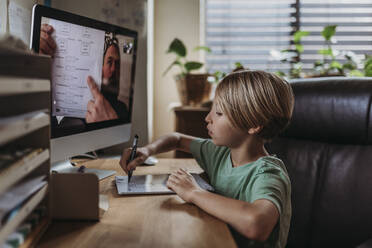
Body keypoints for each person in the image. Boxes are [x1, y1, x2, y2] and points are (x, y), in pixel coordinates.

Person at [120, 70, 294, 248]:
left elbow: (257, 225)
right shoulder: (221, 153)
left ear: (253, 125)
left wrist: (194, 193)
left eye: (219, 113)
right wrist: (147, 150)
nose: (207, 118)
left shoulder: (268, 174)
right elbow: (176, 139)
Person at [39, 24, 127, 124]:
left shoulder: (122, 109)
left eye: (117, 64)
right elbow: (50, 134)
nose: (114, 69)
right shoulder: (77, 114)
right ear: (99, 67)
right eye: (109, 62)